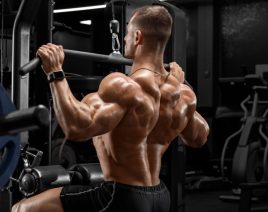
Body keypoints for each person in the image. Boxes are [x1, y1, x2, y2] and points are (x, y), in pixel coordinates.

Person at [12, 5, 209, 212]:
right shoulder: (182, 94)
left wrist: (55, 72)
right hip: (160, 196)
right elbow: (199, 137)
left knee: (22, 209)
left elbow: (76, 128)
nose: (123, 39)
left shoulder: (123, 86)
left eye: (126, 34)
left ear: (137, 37)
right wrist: (181, 85)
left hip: (121, 196)